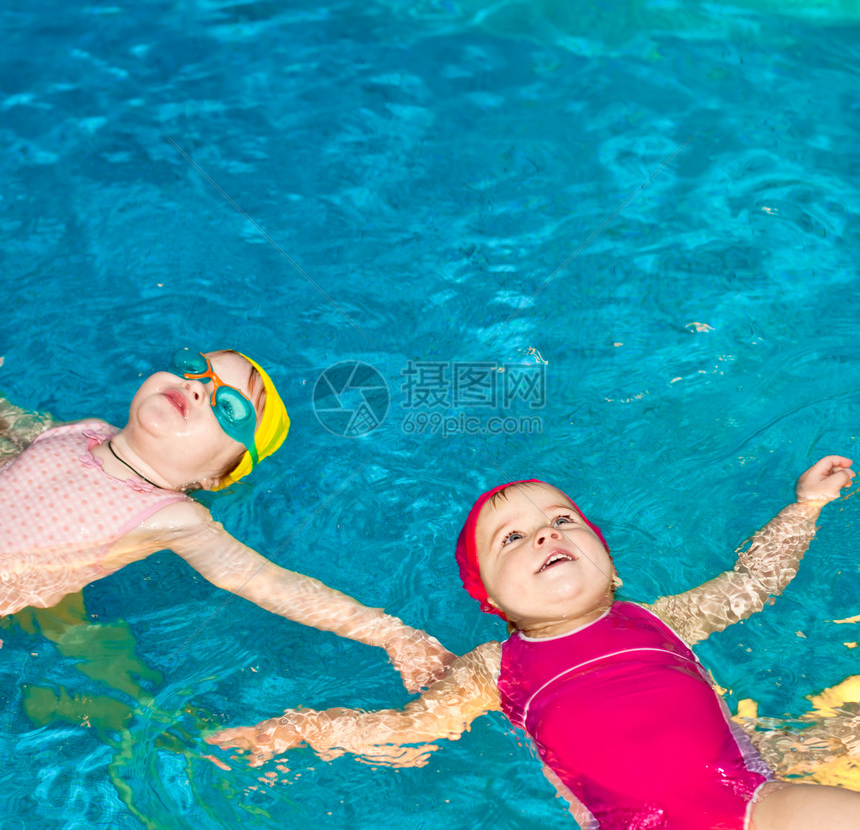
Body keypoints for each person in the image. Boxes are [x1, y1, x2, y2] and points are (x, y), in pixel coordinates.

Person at [209, 456, 860, 829]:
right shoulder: (495, 667)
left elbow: (754, 582)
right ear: (490, 599)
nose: (545, 535)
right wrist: (289, 732)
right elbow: (407, 728)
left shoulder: (663, 619)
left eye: (561, 520)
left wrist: (804, 507)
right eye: (512, 540)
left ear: (608, 558)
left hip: (757, 801)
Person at [0, 348, 450, 691]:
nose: (197, 388)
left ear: (215, 476)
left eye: (229, 407)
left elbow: (267, 581)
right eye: (195, 368)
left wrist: (393, 635)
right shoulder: (85, 430)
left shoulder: (173, 517)